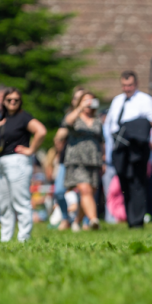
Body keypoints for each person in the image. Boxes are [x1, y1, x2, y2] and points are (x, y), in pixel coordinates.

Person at [0, 87, 46, 242]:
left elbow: (41, 131)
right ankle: (5, 238)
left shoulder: (23, 117)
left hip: (18, 162)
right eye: (9, 100)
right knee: (4, 203)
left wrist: (31, 150)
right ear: (4, 101)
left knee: (20, 201)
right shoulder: (1, 118)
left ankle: (24, 237)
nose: (13, 103)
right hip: (1, 161)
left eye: (16, 100)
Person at [107, 71, 152, 228]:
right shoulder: (117, 100)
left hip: (137, 148)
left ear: (135, 84)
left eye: (129, 85)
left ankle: (137, 221)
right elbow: (111, 124)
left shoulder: (145, 100)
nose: (126, 88)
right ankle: (130, 218)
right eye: (124, 85)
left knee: (138, 183)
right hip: (120, 146)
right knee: (124, 182)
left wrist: (132, 127)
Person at [55, 90, 104, 231]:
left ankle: (77, 221)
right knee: (85, 190)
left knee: (89, 193)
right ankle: (94, 220)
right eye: (86, 100)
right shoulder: (74, 117)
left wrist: (104, 159)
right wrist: (80, 108)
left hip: (94, 160)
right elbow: (67, 122)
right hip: (77, 159)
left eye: (91, 100)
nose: (89, 104)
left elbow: (102, 141)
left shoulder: (97, 120)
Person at [55, 87, 86, 230]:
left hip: (84, 161)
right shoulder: (69, 116)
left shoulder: (91, 118)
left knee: (84, 192)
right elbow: (59, 137)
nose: (79, 102)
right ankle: (65, 218)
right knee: (59, 191)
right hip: (66, 160)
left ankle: (82, 221)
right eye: (76, 99)